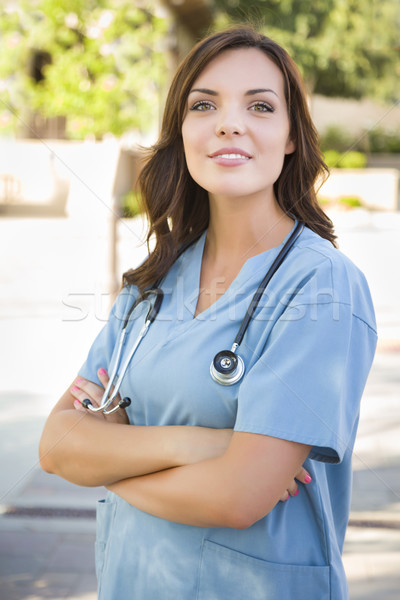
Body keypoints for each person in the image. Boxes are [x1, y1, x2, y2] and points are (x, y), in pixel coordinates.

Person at [39, 25, 377, 600]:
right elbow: (58, 444)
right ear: (183, 130)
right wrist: (199, 445)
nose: (229, 123)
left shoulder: (322, 286)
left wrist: (109, 462)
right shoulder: (154, 280)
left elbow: (236, 497)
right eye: (204, 104)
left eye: (260, 106)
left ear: (292, 135)